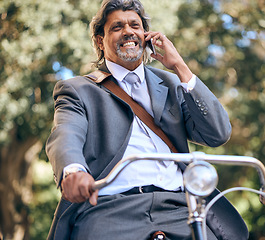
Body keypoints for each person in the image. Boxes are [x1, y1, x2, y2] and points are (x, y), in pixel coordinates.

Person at [46, 0, 248, 239]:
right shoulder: (78, 89)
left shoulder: (173, 83)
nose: (128, 31)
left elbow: (218, 134)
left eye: (135, 25)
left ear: (146, 36)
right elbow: (66, 133)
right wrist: (73, 170)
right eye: (117, 27)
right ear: (100, 41)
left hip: (180, 206)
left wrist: (180, 67)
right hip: (110, 209)